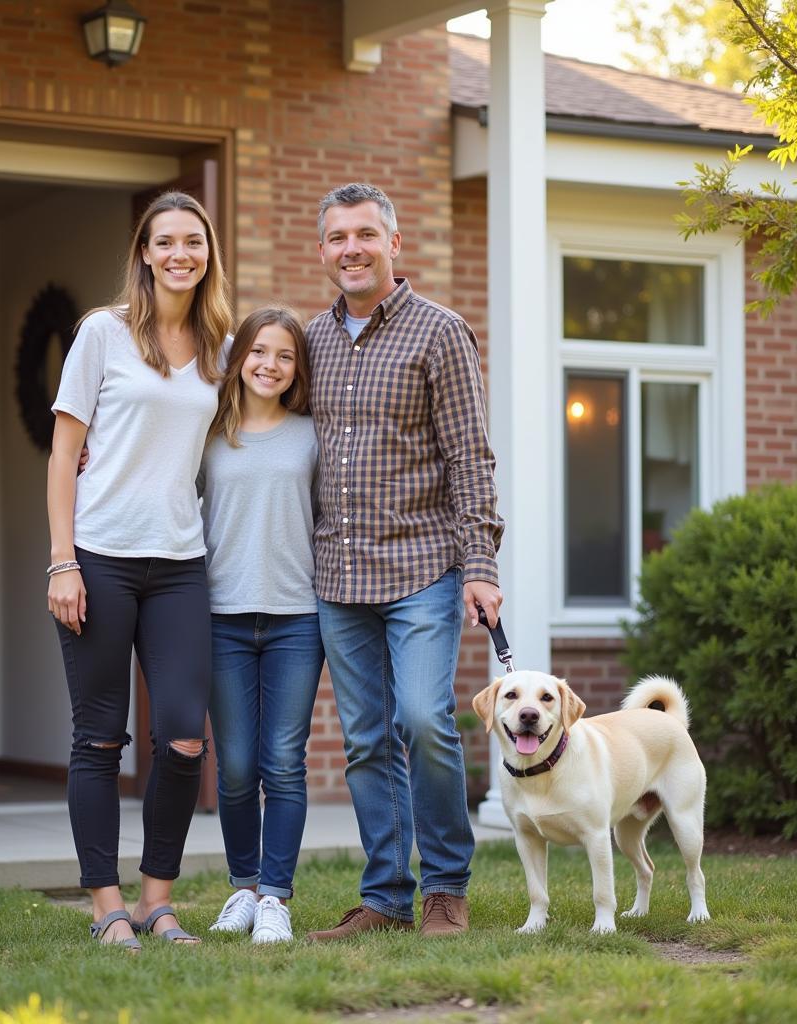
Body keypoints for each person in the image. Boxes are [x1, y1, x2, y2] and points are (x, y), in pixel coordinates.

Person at [304, 183, 504, 941]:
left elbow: (469, 459)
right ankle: (385, 896)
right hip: (338, 576)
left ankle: (445, 889)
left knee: (423, 719)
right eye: (336, 237)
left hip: (423, 567)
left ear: (395, 242)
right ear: (322, 251)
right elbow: (250, 421)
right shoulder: (310, 342)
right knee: (364, 739)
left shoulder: (439, 331)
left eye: (364, 234)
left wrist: (480, 563)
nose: (350, 248)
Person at [47, 190, 232, 950]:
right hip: (98, 556)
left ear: (207, 253)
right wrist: (62, 561)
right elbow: (64, 452)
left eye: (194, 241)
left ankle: (158, 901)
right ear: (146, 254)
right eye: (166, 242)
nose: (181, 253)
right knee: (98, 738)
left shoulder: (221, 345)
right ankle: (105, 907)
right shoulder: (103, 334)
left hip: (181, 562)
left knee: (186, 736)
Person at [200, 306, 323, 945]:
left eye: (284, 356)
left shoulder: (311, 435)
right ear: (237, 356)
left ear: (297, 368)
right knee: (238, 764)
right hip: (221, 617)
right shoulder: (209, 432)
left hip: (297, 618)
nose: (270, 365)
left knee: (283, 761)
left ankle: (275, 895)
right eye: (259, 352)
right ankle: (242, 889)